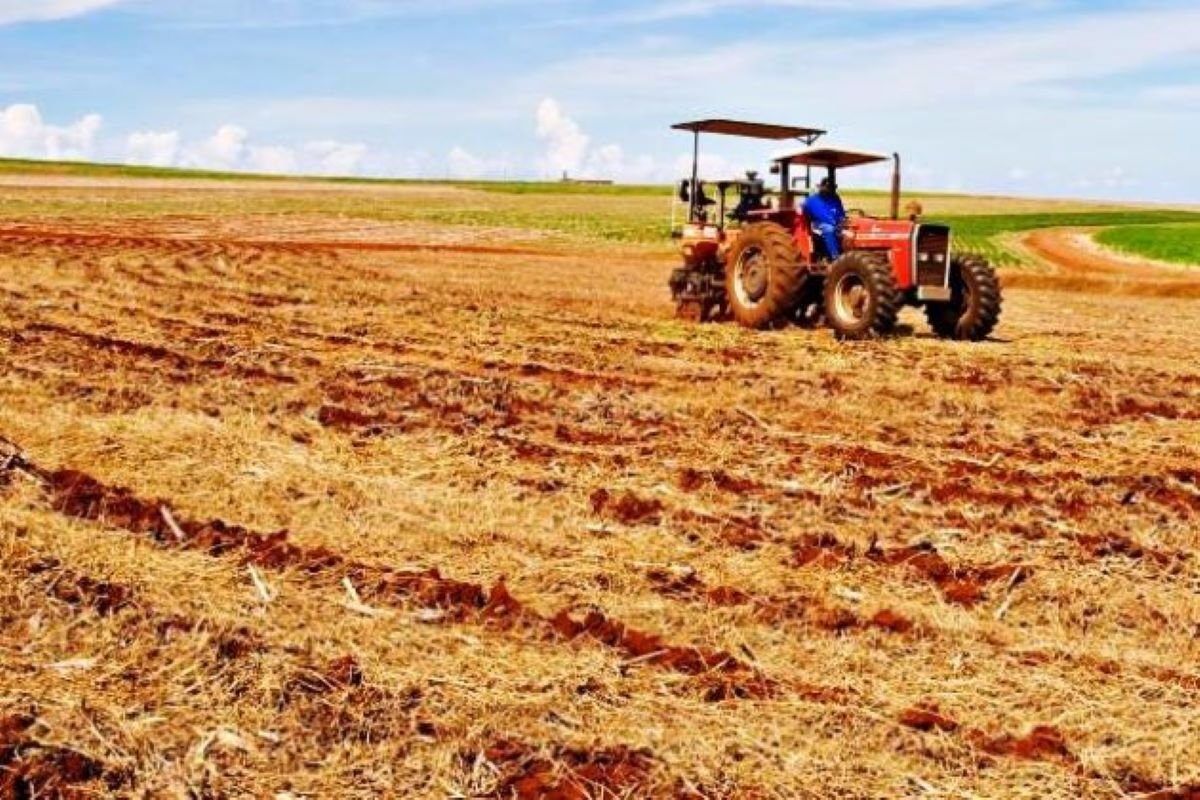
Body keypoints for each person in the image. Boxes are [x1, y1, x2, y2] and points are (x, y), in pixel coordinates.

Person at [803, 177, 846, 259]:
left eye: (831, 188)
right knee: (829, 229)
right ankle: (835, 257)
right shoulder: (812, 200)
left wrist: (843, 221)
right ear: (821, 187)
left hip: (836, 223)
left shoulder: (835, 198)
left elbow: (841, 213)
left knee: (850, 231)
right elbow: (802, 209)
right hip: (818, 224)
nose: (829, 190)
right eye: (827, 187)